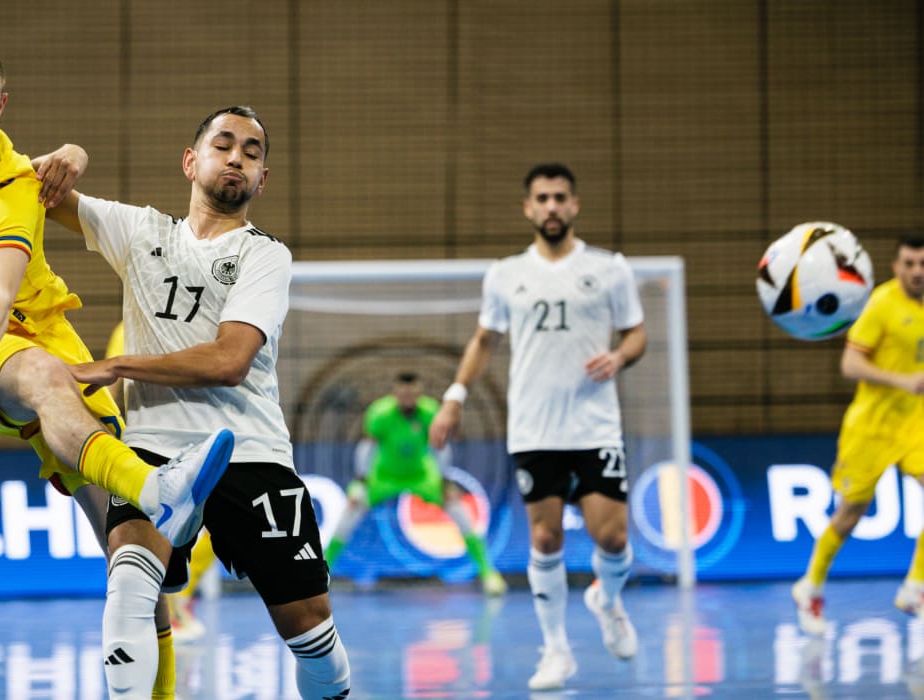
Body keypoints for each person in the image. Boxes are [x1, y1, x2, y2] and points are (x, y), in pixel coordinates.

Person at [0, 16, 231, 699]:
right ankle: (160, 489)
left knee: (134, 552)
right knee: (45, 383)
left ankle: (158, 690)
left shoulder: (9, 193)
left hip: (16, 340)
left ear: (3, 107)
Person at [47, 106, 352, 699]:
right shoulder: (141, 232)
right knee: (129, 585)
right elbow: (23, 187)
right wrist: (72, 155)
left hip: (250, 453)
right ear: (192, 162)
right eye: (224, 144)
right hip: (154, 453)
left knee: (309, 626)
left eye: (253, 151)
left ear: (262, 179)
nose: (237, 156)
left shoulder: (265, 255)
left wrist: (114, 365)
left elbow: (227, 361)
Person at [429, 162, 647, 691]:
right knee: (545, 539)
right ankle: (555, 651)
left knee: (612, 538)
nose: (552, 207)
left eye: (560, 198)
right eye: (542, 198)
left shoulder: (610, 269)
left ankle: (607, 599)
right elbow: (485, 341)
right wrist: (454, 397)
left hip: (594, 427)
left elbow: (637, 333)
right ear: (528, 208)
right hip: (533, 429)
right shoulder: (506, 274)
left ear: (574, 206)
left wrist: (618, 357)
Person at [792, 235, 924, 635]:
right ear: (895, 267)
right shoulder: (881, 305)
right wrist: (901, 382)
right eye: (910, 264)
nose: (918, 272)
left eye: (923, 264)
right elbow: (850, 364)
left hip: (916, 426)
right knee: (850, 515)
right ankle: (810, 584)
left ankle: (914, 587)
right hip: (871, 428)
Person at [324, 371, 508, 596]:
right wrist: (361, 480)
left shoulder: (430, 411)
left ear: (418, 393)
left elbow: (440, 448)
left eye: (412, 395)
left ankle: (488, 572)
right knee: (350, 511)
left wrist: (442, 480)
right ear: (396, 394)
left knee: (458, 509)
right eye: (403, 395)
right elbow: (367, 448)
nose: (408, 399)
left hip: (421, 475)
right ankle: (323, 571)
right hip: (383, 476)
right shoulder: (380, 413)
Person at [107, 320, 214, 644]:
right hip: (147, 445)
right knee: (143, 536)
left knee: (204, 528)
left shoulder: (198, 322)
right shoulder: (129, 330)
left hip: (194, 439)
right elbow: (115, 389)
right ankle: (162, 615)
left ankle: (174, 602)